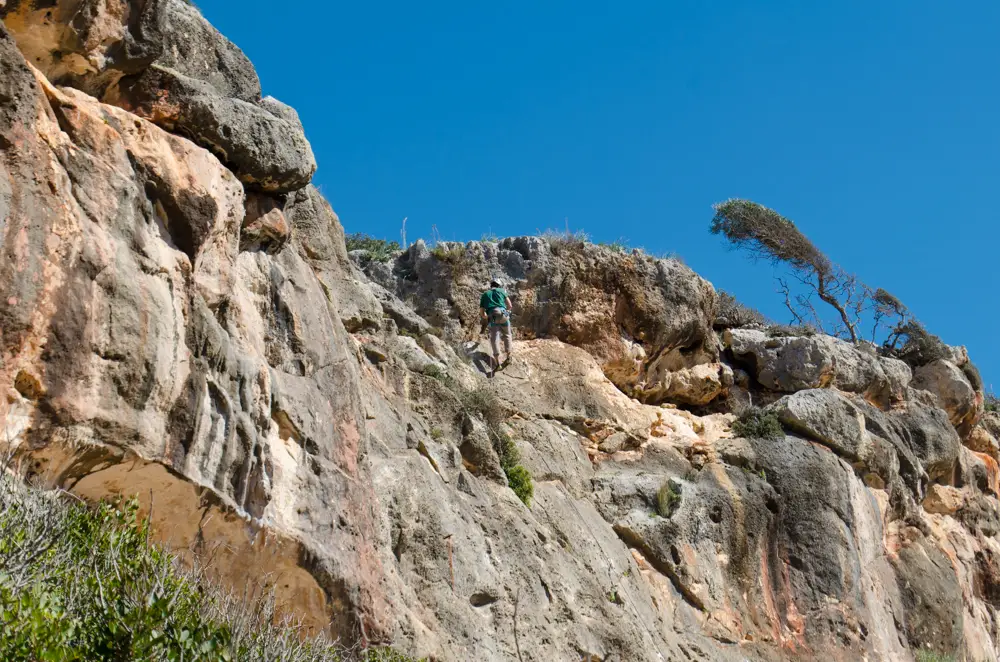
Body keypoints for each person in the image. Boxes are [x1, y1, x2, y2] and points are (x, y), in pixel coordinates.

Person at [479, 279, 513, 370]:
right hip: (503, 315)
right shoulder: (502, 291)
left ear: (491, 285)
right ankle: (509, 356)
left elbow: (482, 313)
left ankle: (498, 363)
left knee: (494, 339)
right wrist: (507, 312)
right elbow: (510, 305)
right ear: (498, 285)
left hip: (493, 317)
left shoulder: (485, 294)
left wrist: (486, 316)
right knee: (507, 335)